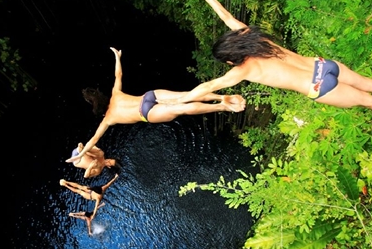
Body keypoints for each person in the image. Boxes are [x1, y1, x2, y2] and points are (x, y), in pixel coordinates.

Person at [166, 0, 372, 125]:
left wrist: (181, 100)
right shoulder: (252, 37)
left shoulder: (243, 70)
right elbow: (227, 18)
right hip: (323, 66)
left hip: (318, 86)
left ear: (231, 59)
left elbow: (209, 84)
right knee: (367, 84)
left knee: (366, 100)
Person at [66, 47, 246, 164]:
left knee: (182, 108)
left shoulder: (108, 120)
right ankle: (222, 97)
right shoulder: (115, 95)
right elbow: (118, 75)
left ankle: (223, 107)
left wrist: (80, 155)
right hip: (149, 96)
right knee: (186, 95)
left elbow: (94, 140)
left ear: (97, 110)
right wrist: (117, 57)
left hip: (146, 112)